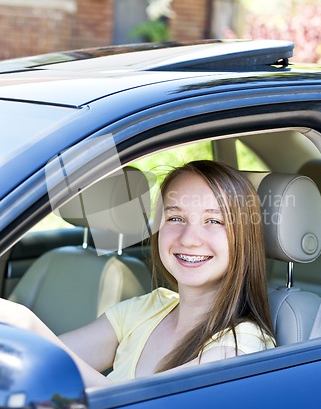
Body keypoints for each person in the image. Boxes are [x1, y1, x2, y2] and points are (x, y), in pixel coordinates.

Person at [0, 160, 275, 388]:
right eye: (175, 218)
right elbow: (37, 366)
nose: (190, 239)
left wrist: (28, 325)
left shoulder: (242, 346)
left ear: (243, 238)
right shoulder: (147, 308)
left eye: (213, 221)